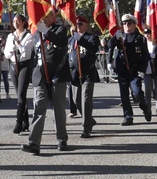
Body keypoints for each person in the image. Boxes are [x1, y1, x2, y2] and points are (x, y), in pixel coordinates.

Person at [21, 10, 71, 154]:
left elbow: (61, 42)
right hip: (40, 76)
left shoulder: (60, 29)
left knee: (58, 110)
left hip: (57, 75)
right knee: (38, 109)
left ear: (52, 17)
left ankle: (62, 139)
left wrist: (46, 31)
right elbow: (34, 54)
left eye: (46, 16)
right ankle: (34, 142)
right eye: (41, 16)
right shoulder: (37, 33)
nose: (43, 19)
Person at [108, 14, 152, 126]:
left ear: (134, 25)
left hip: (135, 70)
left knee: (136, 92)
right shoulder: (120, 37)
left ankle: (144, 107)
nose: (127, 25)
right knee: (124, 94)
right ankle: (128, 116)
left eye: (129, 23)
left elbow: (145, 56)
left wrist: (142, 70)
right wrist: (114, 38)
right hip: (122, 70)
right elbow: (110, 46)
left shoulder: (140, 38)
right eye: (124, 23)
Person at [68, 15, 100, 138]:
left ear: (86, 25)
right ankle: (90, 120)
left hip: (88, 73)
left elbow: (93, 48)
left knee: (86, 100)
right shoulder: (71, 40)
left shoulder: (92, 38)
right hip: (75, 74)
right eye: (76, 24)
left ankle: (86, 128)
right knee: (76, 100)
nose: (78, 26)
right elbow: (69, 56)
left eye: (81, 24)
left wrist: (80, 39)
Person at [5, 14, 35, 134]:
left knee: (22, 93)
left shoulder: (29, 36)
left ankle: (18, 121)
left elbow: (26, 53)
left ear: (23, 22)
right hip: (13, 65)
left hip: (24, 65)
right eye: (14, 21)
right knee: (19, 95)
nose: (16, 24)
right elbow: (6, 52)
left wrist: (18, 44)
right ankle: (25, 121)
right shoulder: (10, 36)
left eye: (18, 21)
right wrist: (12, 48)